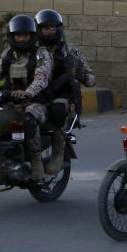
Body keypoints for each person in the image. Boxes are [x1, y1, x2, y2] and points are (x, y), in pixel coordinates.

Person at [0, 15, 53, 180]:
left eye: (25, 35)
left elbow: (41, 78)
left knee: (28, 119)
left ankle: (36, 162)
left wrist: (28, 92)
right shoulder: (8, 54)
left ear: (32, 35)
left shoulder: (41, 54)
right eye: (18, 35)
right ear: (12, 36)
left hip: (36, 102)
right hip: (10, 101)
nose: (21, 38)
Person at [34, 9, 96, 174]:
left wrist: (79, 73)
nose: (50, 30)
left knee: (59, 110)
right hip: (37, 94)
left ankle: (58, 153)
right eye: (46, 27)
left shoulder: (70, 51)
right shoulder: (32, 49)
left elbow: (91, 79)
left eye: (54, 27)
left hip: (62, 96)